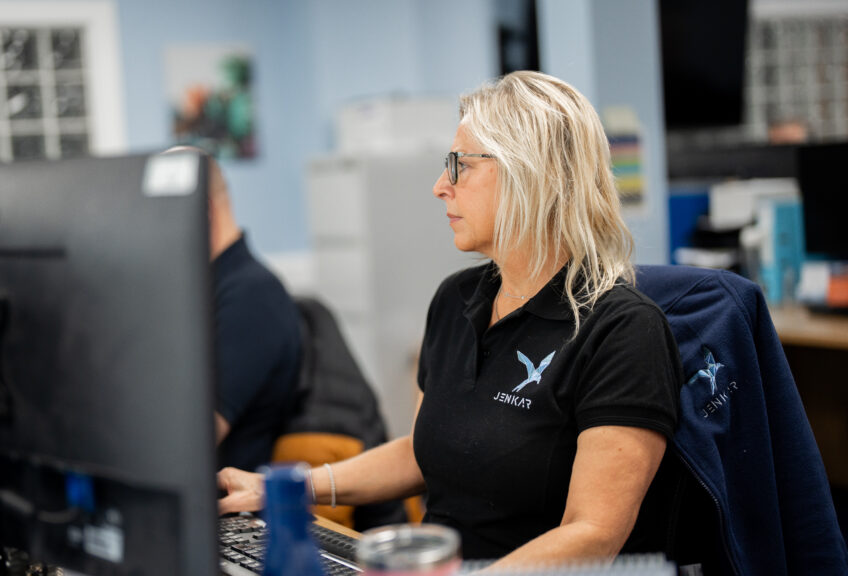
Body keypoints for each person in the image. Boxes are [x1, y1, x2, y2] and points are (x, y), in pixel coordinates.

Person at [216, 71, 684, 569]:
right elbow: (425, 451)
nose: (441, 186)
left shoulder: (623, 331)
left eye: (459, 165)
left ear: (532, 175)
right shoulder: (455, 300)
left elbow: (593, 535)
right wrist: (284, 490)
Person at [163, 146, 302, 472]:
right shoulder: (203, 287)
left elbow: (185, 440)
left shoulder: (252, 296)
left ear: (201, 212)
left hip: (230, 507)